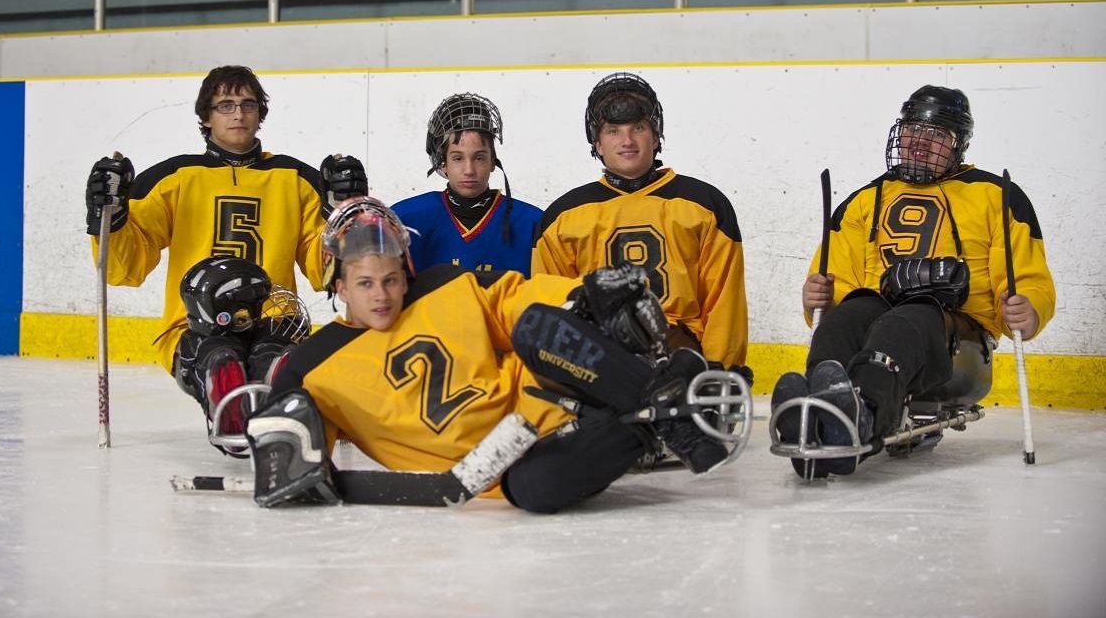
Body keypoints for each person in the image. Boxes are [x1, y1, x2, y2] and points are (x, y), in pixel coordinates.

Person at [244, 197, 751, 513]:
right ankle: (650, 422)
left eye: (393, 279)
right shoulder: (307, 368)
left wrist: (585, 293)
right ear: (338, 284)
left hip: (556, 397)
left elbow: (518, 300)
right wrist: (285, 455)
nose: (382, 296)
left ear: (407, 272)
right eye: (366, 284)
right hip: (502, 470)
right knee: (535, 490)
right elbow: (303, 449)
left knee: (534, 327)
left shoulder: (444, 285)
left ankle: (664, 402)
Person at [772, 85, 1056, 479]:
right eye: (911, 130)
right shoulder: (865, 200)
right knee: (849, 314)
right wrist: (818, 296)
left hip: (961, 344)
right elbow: (836, 278)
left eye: (937, 134)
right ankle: (817, 410)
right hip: (885, 323)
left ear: (959, 145)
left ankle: (864, 416)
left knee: (908, 317)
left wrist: (1029, 306)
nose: (920, 142)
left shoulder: (997, 196)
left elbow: (1028, 278)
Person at [84, 65, 367, 453]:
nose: (238, 114)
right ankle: (232, 404)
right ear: (205, 116)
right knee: (218, 356)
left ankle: (279, 404)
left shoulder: (296, 179)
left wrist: (340, 211)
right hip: (195, 325)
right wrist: (111, 217)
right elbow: (123, 269)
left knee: (276, 357)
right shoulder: (174, 178)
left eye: (247, 104)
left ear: (260, 113)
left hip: (274, 319)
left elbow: (325, 272)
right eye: (225, 105)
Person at [531, 72, 749, 370]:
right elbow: (554, 307)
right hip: (601, 353)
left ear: (656, 135)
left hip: (680, 349)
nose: (627, 141)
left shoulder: (704, 205)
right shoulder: (563, 217)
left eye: (638, 127)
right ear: (597, 142)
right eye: (613, 131)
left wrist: (720, 371)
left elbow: (724, 303)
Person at [391, 93, 542, 275]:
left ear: (493, 161)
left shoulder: (531, 224)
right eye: (458, 158)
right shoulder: (405, 220)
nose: (469, 170)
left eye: (479, 157)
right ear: (442, 162)